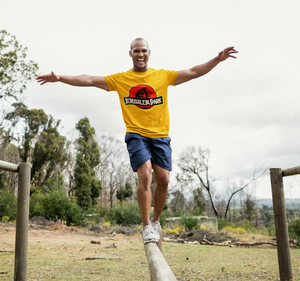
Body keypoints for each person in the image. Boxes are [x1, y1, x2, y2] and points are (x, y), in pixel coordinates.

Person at [36, 38, 237, 243]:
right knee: (145, 177)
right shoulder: (121, 79)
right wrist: (60, 78)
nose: (140, 54)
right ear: (130, 54)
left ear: (149, 52)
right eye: (136, 51)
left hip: (160, 136)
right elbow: (89, 80)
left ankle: (156, 221)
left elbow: (193, 72)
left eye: (143, 51)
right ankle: (146, 226)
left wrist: (217, 59)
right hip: (136, 135)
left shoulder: (162, 76)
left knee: (164, 180)